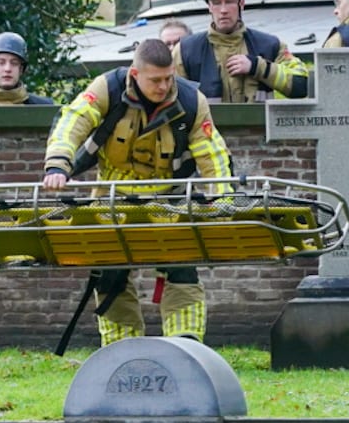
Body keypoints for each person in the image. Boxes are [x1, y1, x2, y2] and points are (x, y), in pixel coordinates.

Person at [42, 39, 234, 345]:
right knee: (111, 274)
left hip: (168, 199)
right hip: (112, 199)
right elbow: (74, 120)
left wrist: (224, 199)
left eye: (168, 78)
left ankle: (186, 345)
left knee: (181, 269)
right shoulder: (108, 88)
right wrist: (57, 164)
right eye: (155, 80)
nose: (164, 86)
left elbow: (212, 154)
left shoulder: (191, 101)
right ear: (135, 74)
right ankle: (121, 347)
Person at [172, 0, 309, 103]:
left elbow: (301, 84)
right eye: (217, 3)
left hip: (257, 118)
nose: (223, 10)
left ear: (241, 3)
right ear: (209, 7)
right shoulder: (186, 51)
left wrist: (257, 67)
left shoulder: (269, 45)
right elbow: (171, 100)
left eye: (229, 2)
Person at [0, 31, 54, 106]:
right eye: (1, 63)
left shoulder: (42, 106)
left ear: (21, 69)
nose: (7, 69)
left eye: (14, 63)